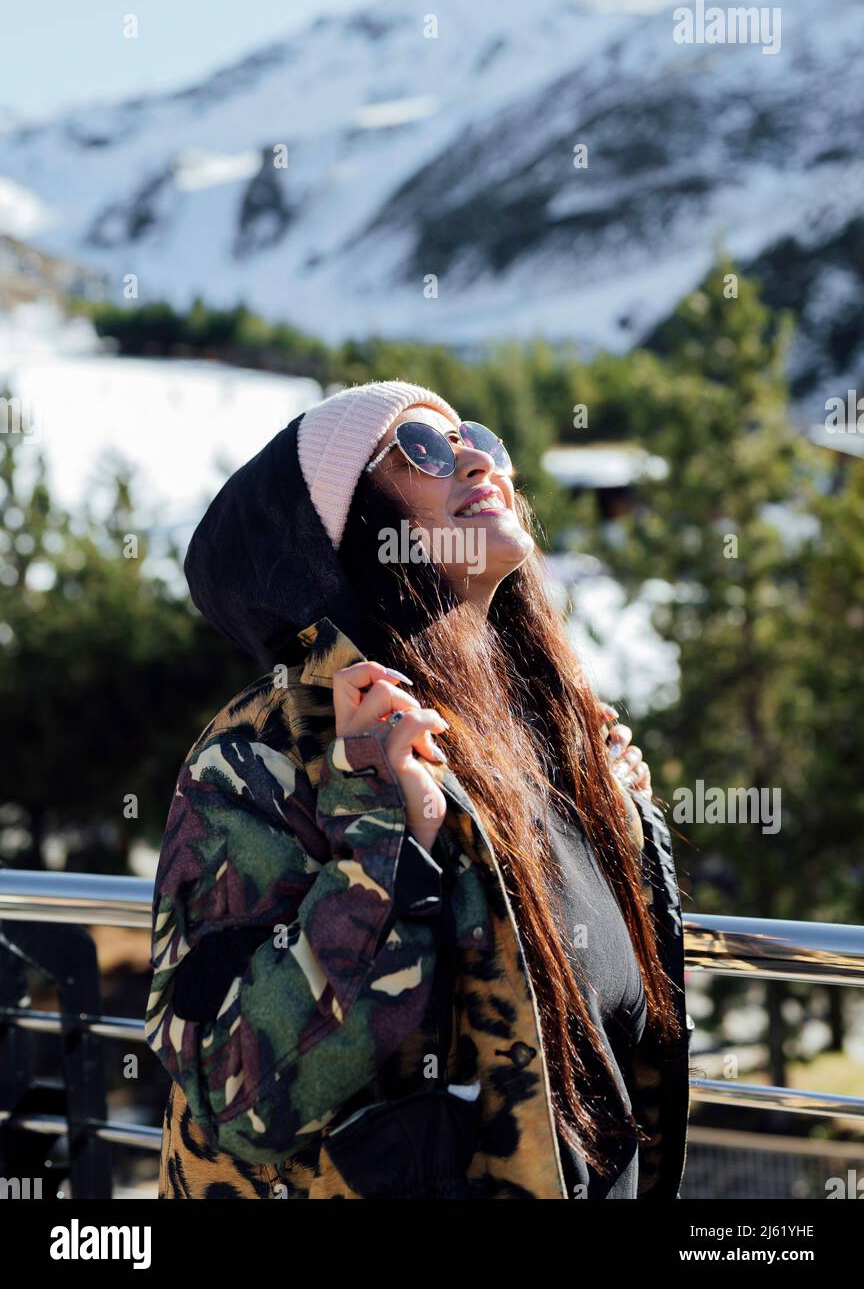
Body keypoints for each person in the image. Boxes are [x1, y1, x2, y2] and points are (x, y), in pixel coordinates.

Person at [144, 379, 692, 1200]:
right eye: (425, 450)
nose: (476, 457)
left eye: (479, 437)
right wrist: (386, 835)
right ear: (355, 527)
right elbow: (230, 1088)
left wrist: (626, 830)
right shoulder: (270, 746)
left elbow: (602, 1028)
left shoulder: (542, 727)